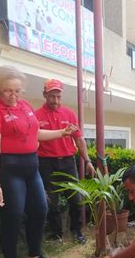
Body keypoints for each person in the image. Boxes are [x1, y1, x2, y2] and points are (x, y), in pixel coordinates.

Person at [0, 66, 77, 258]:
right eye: (8, 91)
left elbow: (36, 132)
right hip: (9, 167)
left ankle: (34, 257)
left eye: (18, 91)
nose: (13, 96)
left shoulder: (24, 106)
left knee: (40, 209)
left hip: (32, 166)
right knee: (13, 214)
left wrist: (61, 132)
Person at [35, 79, 95, 244]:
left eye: (58, 97)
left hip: (68, 162)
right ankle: (56, 234)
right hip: (46, 163)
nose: (55, 100)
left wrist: (88, 161)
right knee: (51, 202)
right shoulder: (36, 115)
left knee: (75, 200)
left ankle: (77, 231)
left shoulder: (69, 114)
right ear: (45, 95)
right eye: (52, 96)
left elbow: (79, 139)